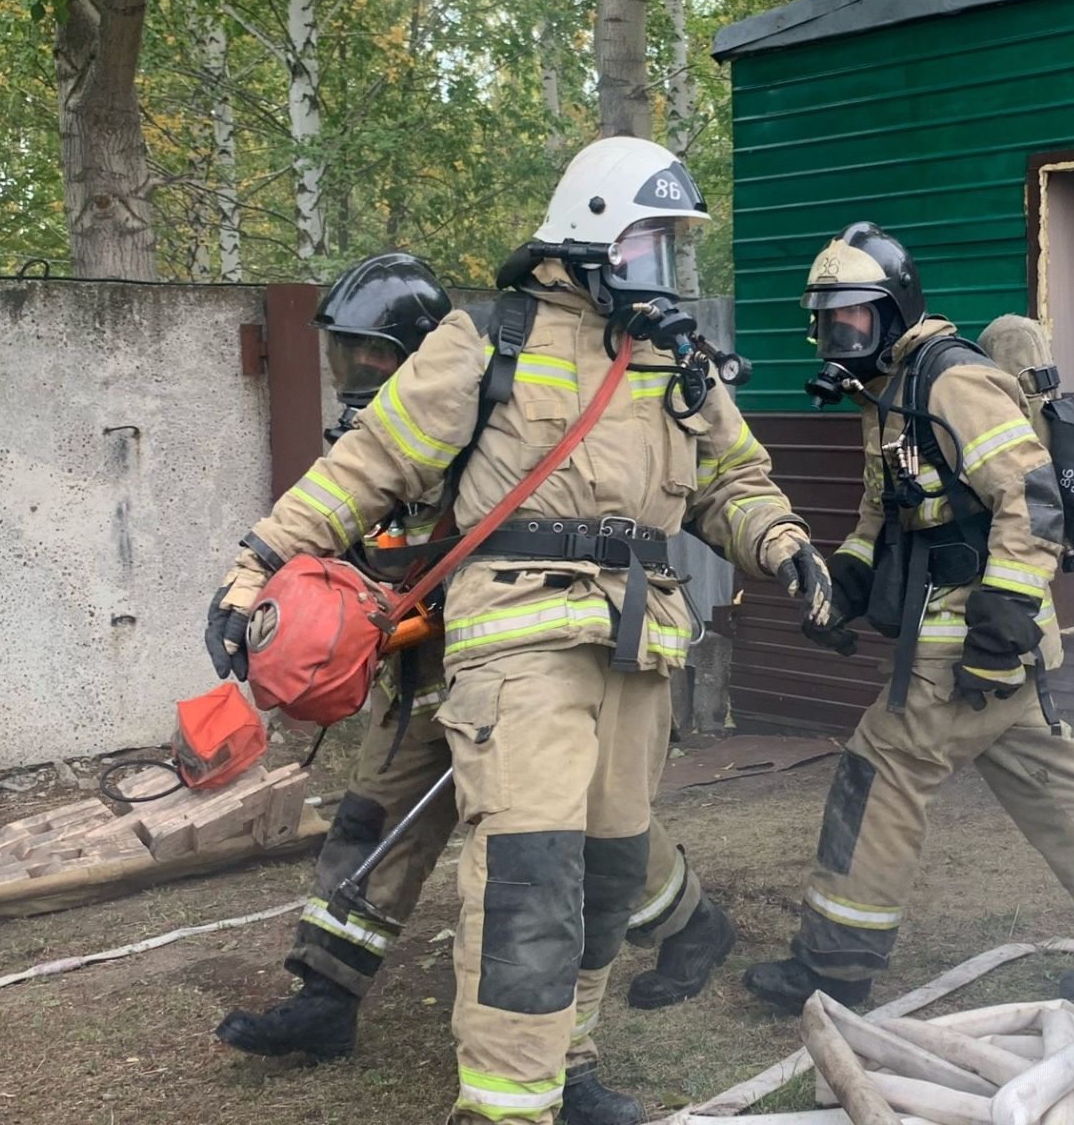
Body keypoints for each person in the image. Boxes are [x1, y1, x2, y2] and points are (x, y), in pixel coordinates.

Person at [204, 139, 835, 1125]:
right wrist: (256, 565)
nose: (660, 270)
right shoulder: (488, 338)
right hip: (520, 653)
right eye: (646, 246)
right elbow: (368, 465)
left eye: (670, 250)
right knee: (530, 885)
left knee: (607, 877)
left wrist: (787, 544)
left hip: (639, 653)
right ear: (589, 234)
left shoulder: (678, 362)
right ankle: (507, 1109)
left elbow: (735, 485)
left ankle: (566, 1070)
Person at [215, 254, 737, 1079]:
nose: (360, 374)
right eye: (347, 355)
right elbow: (348, 526)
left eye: (376, 357)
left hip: (512, 660)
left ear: (423, 354)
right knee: (372, 821)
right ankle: (326, 995)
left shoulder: (486, 410)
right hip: (423, 674)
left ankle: (691, 924)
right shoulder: (375, 439)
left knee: (598, 832)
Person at [742, 222, 1074, 1012]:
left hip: (969, 641)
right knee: (1059, 783)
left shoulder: (949, 382)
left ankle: (833, 966)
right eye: (826, 321)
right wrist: (844, 582)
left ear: (893, 311)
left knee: (878, 776)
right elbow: (881, 514)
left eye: (850, 318)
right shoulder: (888, 393)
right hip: (983, 644)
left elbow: (1034, 498)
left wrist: (1000, 629)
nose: (835, 336)